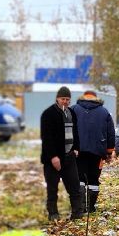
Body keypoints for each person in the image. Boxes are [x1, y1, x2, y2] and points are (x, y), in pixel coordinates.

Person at [39, 86, 84, 221]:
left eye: (68, 99)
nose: (65, 101)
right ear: (57, 99)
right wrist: (53, 157)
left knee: (74, 186)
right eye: (63, 99)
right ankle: (53, 214)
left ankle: (77, 213)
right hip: (53, 158)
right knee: (52, 188)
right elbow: (47, 138)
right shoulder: (48, 114)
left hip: (69, 156)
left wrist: (76, 148)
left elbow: (75, 132)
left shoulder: (71, 113)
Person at [72, 89, 116, 211]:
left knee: (79, 177)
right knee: (93, 178)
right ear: (95, 98)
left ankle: (80, 206)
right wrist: (109, 151)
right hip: (97, 151)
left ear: (83, 97)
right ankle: (90, 207)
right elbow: (110, 133)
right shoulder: (104, 112)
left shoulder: (74, 109)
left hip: (77, 151)